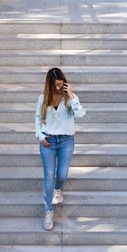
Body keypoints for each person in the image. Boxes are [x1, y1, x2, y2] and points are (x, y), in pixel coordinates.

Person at [35, 67, 86, 231]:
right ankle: (48, 210)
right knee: (48, 175)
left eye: (61, 84)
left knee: (62, 174)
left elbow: (80, 114)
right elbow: (37, 119)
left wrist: (71, 96)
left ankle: (58, 189)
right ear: (50, 85)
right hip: (48, 141)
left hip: (66, 141)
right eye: (56, 85)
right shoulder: (43, 98)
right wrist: (40, 136)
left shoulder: (70, 98)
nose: (59, 87)